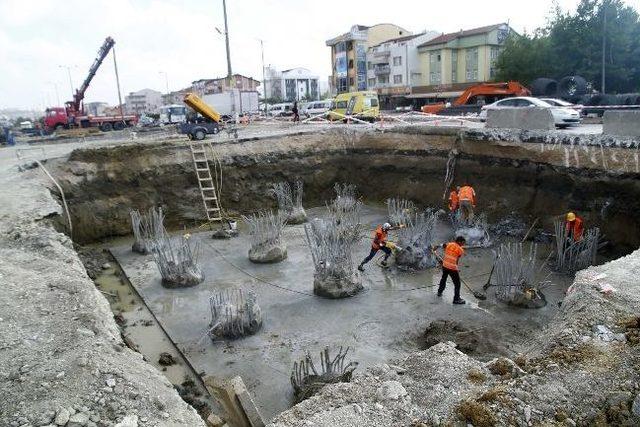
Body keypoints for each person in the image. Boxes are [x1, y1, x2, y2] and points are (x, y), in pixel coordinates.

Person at [436, 236, 466, 305]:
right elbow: (456, 261)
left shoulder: (449, 244)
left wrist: (436, 247)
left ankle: (439, 292)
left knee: (443, 279)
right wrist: (456, 268)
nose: (463, 244)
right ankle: (456, 299)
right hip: (452, 268)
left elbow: (442, 245)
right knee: (457, 284)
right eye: (462, 243)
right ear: (459, 241)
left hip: (445, 265)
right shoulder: (460, 249)